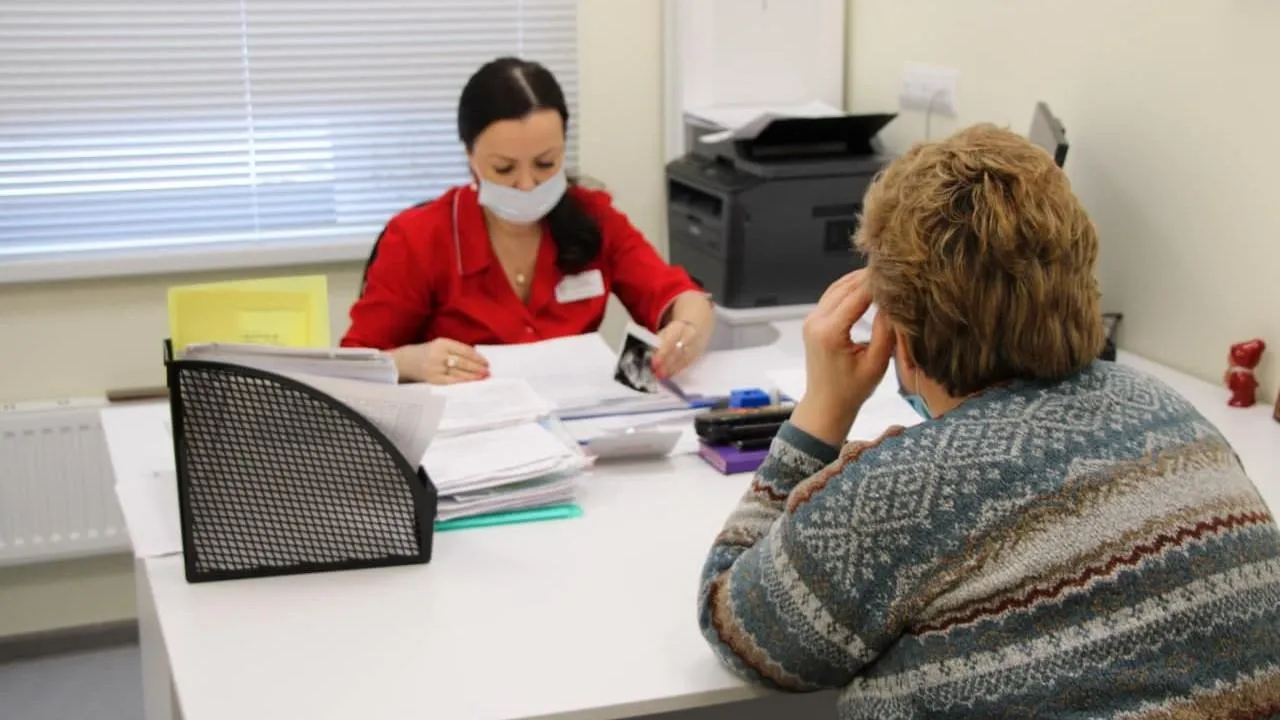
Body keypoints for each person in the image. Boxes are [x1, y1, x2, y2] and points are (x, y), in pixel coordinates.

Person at [697, 125, 1280, 718]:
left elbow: (738, 631)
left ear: (898, 326)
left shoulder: (906, 488)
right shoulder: (1167, 412)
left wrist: (822, 410)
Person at [341, 57, 714, 384]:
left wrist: (686, 331)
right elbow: (352, 366)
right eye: (504, 168)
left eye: (545, 164)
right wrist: (410, 362)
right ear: (470, 156)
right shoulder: (420, 238)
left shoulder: (594, 216)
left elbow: (679, 296)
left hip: (580, 434)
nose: (526, 184)